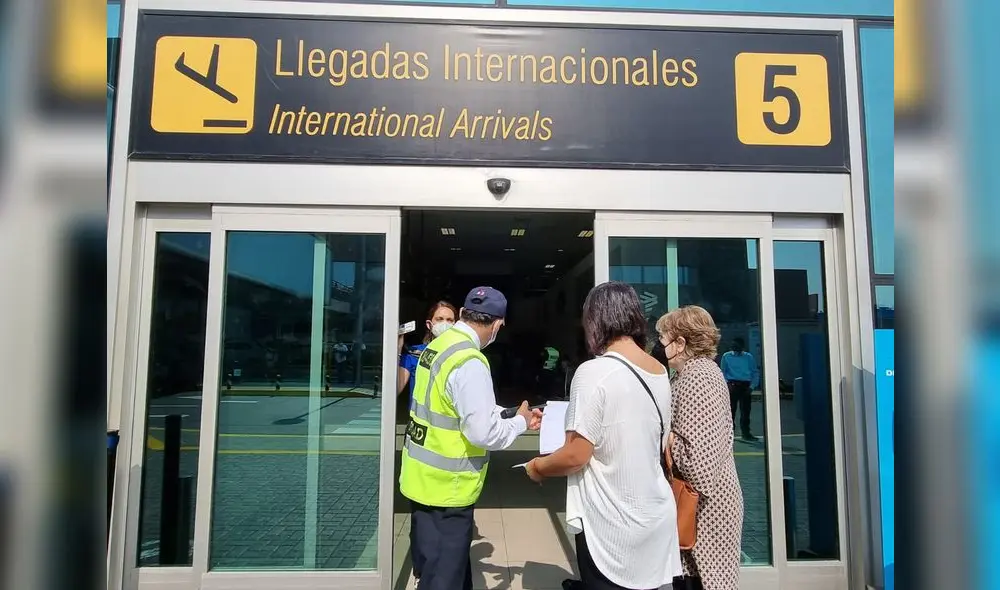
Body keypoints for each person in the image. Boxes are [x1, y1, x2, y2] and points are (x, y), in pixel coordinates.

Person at [524, 281, 681, 590]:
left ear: (595, 321)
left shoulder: (592, 372)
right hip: (654, 516)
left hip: (611, 527)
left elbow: (576, 455)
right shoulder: (659, 371)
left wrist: (537, 467)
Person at [398, 286, 542, 590]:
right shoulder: (470, 360)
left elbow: (450, 405)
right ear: (498, 324)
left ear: (463, 313)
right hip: (448, 489)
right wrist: (519, 424)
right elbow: (482, 433)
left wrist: (510, 414)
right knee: (442, 580)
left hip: (420, 479)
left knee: (441, 569)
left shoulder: (439, 346)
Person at [656, 307, 744, 590]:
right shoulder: (692, 374)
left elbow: (700, 464)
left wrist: (667, 439)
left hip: (707, 514)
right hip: (699, 511)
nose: (659, 345)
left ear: (680, 343)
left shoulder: (699, 378)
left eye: (663, 339)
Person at [397, 301, 458, 404]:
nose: (445, 323)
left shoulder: (461, 353)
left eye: (449, 320)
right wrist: (398, 347)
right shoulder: (414, 353)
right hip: (418, 418)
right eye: (439, 319)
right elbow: (396, 390)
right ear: (429, 325)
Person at [719, 337, 760, 441]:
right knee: (730, 411)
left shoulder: (748, 357)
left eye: (737, 345)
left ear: (742, 346)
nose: (734, 347)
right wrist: (727, 385)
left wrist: (751, 387)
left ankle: (746, 433)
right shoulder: (726, 356)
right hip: (733, 384)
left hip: (745, 385)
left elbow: (754, 372)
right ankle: (729, 434)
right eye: (733, 345)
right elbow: (723, 372)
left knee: (746, 411)